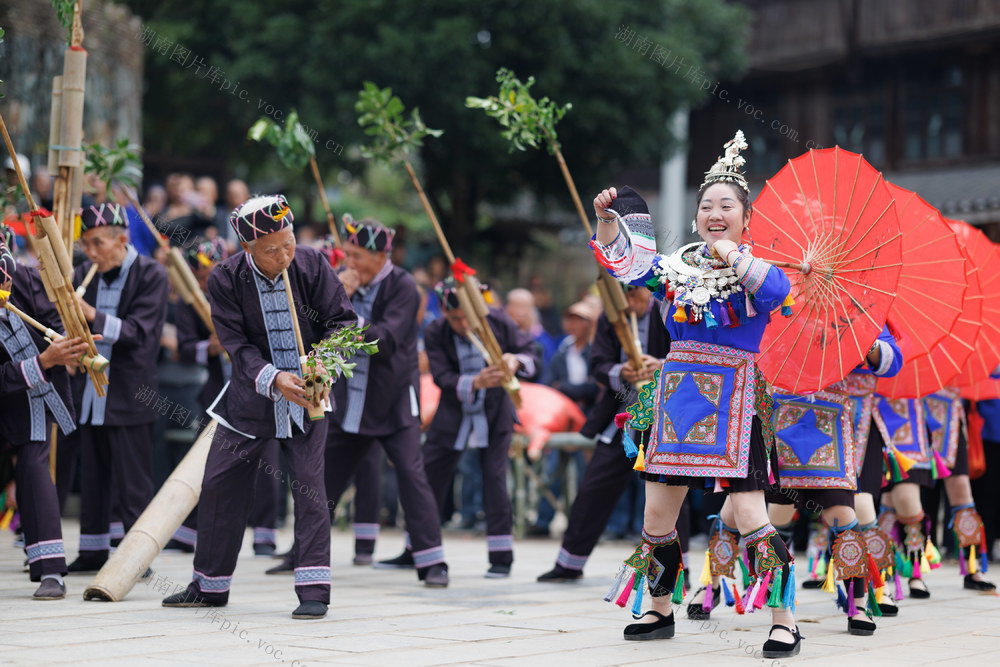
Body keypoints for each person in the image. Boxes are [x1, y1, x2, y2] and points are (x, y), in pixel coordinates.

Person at [591, 132, 801, 658]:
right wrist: (609, 223)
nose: (714, 212)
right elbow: (629, 268)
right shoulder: (677, 269)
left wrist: (730, 253)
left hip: (736, 401)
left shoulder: (757, 270)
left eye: (726, 205)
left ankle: (785, 620)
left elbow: (777, 294)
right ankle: (661, 611)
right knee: (656, 519)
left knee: (753, 517)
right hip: (678, 399)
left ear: (744, 218)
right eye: (706, 205)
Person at [161, 195, 356, 619]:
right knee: (219, 483)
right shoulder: (225, 279)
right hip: (251, 398)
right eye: (272, 249)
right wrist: (274, 378)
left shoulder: (311, 264)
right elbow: (236, 345)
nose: (284, 255)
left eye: (288, 243)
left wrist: (322, 366)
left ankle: (313, 589)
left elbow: (343, 322)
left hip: (310, 397)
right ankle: (209, 585)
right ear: (247, 248)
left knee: (309, 486)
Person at [270, 216, 449, 587]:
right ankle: (301, 552)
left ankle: (432, 561)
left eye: (356, 256)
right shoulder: (337, 279)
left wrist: (346, 307)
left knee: (411, 476)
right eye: (346, 255)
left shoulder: (403, 286)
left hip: (394, 401)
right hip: (351, 401)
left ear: (380, 256)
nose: (348, 263)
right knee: (319, 479)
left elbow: (387, 340)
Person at [380, 278, 537, 577]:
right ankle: (416, 548)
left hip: (494, 414)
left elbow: (531, 353)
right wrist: (476, 381)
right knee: (427, 479)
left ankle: (501, 557)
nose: (463, 323)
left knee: (494, 479)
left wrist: (514, 361)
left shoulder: (499, 322)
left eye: (468, 316)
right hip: (452, 415)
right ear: (443, 313)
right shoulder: (436, 331)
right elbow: (441, 376)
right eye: (455, 318)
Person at [536, 288, 670, 581]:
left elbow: (689, 358)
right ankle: (569, 563)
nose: (630, 302)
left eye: (636, 295)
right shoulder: (612, 319)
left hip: (665, 420)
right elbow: (598, 366)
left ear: (648, 290)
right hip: (623, 418)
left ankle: (671, 570)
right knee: (593, 489)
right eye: (625, 296)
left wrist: (660, 366)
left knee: (670, 495)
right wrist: (621, 371)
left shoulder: (670, 312)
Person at [67, 204, 169, 573]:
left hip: (130, 392)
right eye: (86, 245)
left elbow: (140, 333)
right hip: (90, 394)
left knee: (133, 482)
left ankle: (138, 558)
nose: (91, 253)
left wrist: (91, 315)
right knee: (93, 476)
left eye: (97, 244)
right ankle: (93, 552)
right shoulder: (83, 273)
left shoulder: (152, 274)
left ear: (122, 239)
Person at [0, 233, 85, 599]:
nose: (6, 286)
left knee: (35, 468)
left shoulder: (23, 276)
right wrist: (42, 362)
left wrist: (66, 344)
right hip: (11, 383)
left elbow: (54, 317)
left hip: (29, 395)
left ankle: (51, 569)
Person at [529, 300, 600, 537]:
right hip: (562, 420)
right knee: (552, 473)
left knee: (586, 475)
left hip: (588, 420)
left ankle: (585, 524)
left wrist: (567, 388)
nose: (574, 323)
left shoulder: (596, 350)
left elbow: (595, 388)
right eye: (570, 318)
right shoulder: (562, 351)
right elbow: (550, 385)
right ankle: (543, 519)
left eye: (579, 319)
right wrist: (574, 389)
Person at [505, 288, 559, 372]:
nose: (520, 312)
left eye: (525, 306)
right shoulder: (498, 336)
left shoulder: (543, 341)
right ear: (506, 308)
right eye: (515, 306)